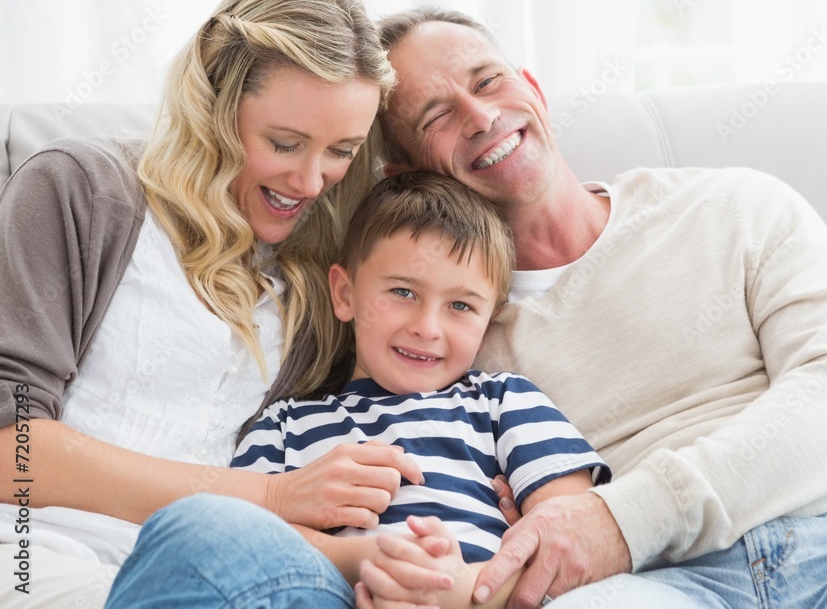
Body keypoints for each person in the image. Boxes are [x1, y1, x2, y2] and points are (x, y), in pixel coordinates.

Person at [349, 6, 827, 608]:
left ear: (532, 89)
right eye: (437, 115)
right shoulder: (437, 335)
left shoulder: (735, 207)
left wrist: (622, 517)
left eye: (488, 81)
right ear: (406, 176)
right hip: (646, 583)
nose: (480, 115)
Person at [0, 0, 420, 608]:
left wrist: (376, 555)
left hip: (223, 578)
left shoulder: (315, 288)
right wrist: (271, 498)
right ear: (217, 100)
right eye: (284, 142)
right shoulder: (80, 189)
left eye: (340, 151)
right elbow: (11, 448)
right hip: (36, 561)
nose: (311, 182)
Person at [221, 171, 608, 608]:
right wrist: (366, 563)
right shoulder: (285, 423)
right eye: (403, 291)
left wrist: (451, 590)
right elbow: (239, 535)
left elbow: (570, 540)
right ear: (345, 293)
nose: (427, 328)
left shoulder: (504, 402)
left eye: (460, 305)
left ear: (490, 318)